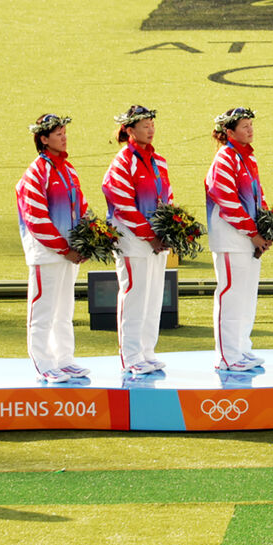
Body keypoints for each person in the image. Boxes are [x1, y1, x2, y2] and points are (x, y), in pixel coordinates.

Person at [16, 114, 89, 383]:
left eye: (64, 132)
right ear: (43, 139)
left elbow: (80, 208)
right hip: (46, 254)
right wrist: (63, 248)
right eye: (58, 133)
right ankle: (44, 364)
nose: (64, 136)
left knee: (64, 309)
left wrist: (85, 242)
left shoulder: (68, 170)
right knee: (43, 309)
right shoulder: (35, 173)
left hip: (69, 254)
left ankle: (64, 360)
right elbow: (36, 218)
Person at [102, 105, 172, 376]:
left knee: (154, 297)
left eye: (152, 124)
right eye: (145, 126)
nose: (150, 130)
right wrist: (149, 235)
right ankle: (130, 356)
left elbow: (168, 198)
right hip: (132, 240)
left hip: (156, 242)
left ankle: (147, 352)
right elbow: (121, 204)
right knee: (134, 296)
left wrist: (168, 231)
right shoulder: (122, 162)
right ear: (130, 130)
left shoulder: (159, 162)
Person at [206, 107, 272, 371]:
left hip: (248, 238)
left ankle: (242, 348)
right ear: (229, 132)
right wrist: (253, 232)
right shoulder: (224, 158)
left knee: (246, 296)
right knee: (231, 295)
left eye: (250, 125)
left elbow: (258, 196)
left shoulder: (248, 159)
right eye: (244, 126)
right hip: (231, 238)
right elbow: (226, 200)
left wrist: (267, 228)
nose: (250, 129)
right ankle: (226, 356)